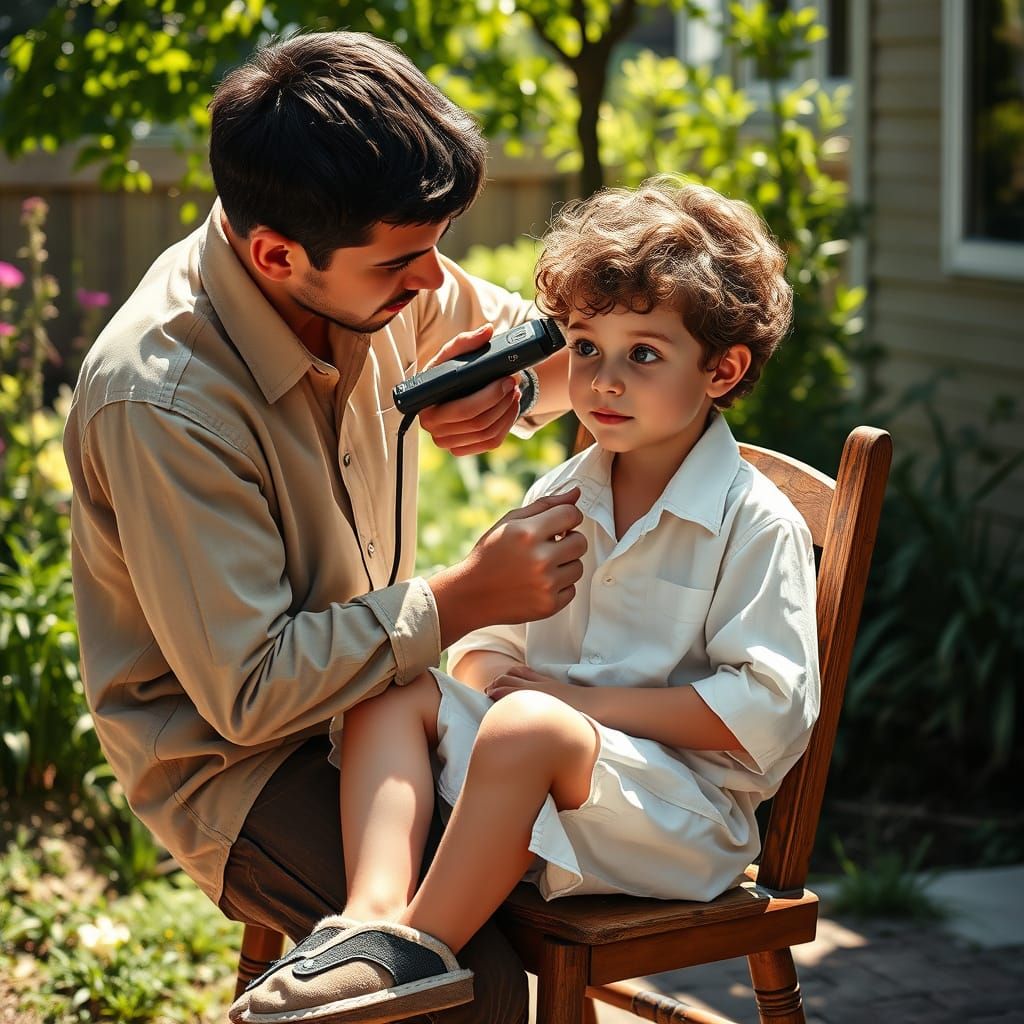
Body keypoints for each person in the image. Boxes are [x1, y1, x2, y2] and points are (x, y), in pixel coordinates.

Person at [62, 30, 584, 1024]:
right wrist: (468, 594)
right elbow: (249, 692)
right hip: (237, 762)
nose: (435, 284)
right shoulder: (165, 401)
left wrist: (512, 384)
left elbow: (556, 345)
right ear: (274, 255)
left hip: (375, 709)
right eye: (406, 260)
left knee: (549, 873)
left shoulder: (363, 279)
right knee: (479, 979)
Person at [232, 178, 821, 1024]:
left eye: (643, 354)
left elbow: (769, 708)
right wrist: (502, 674)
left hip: (681, 818)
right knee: (392, 683)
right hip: (537, 778)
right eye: (585, 349)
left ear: (721, 368)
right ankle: (364, 926)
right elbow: (486, 649)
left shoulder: (750, 521)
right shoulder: (566, 492)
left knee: (528, 725)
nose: (603, 381)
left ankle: (414, 959)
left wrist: (570, 705)